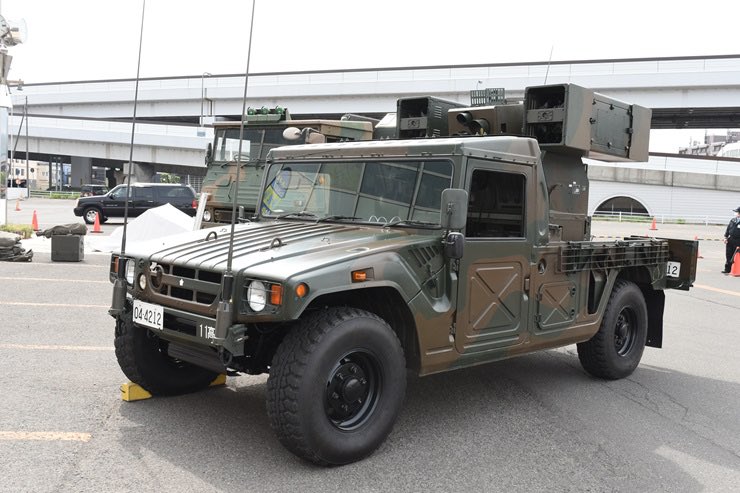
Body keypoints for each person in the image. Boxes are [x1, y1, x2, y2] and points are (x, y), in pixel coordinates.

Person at [722, 206, 740, 274]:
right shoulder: (733, 220)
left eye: (737, 212)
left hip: (738, 241)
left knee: (736, 256)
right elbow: (728, 229)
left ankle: (736, 269)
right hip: (731, 239)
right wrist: (725, 237)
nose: (736, 213)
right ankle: (727, 269)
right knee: (728, 255)